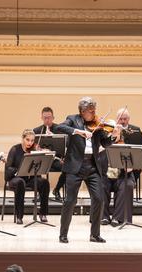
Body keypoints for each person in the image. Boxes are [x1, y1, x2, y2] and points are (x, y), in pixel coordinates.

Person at [53, 96, 121, 244]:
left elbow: (105, 143)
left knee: (99, 198)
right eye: (91, 111)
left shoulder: (97, 125)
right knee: (70, 201)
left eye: (94, 110)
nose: (94, 113)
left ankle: (94, 234)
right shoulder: (72, 119)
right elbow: (59, 127)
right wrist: (78, 132)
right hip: (75, 167)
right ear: (83, 111)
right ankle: (63, 234)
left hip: (92, 166)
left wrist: (114, 136)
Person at [101, 107, 141, 226]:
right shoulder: (105, 142)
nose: (115, 134)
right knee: (100, 184)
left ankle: (118, 218)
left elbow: (134, 161)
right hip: (106, 174)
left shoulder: (125, 144)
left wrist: (129, 167)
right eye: (113, 132)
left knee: (127, 185)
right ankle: (103, 217)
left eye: (117, 133)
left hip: (123, 174)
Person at [5, 129, 49, 224]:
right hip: (15, 179)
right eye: (28, 140)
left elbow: (38, 168)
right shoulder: (15, 149)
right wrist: (19, 170)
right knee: (20, 183)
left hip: (30, 179)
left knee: (44, 182)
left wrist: (40, 154)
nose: (30, 143)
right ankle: (19, 216)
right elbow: (8, 168)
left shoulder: (34, 149)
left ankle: (43, 213)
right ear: (23, 139)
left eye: (32, 140)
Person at [32, 106, 65, 202]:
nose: (47, 120)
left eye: (49, 117)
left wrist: (53, 137)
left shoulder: (59, 129)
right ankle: (40, 192)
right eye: (45, 118)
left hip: (56, 159)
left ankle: (57, 189)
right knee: (35, 167)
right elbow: (31, 147)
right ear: (41, 118)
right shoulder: (36, 131)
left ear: (53, 118)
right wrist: (37, 149)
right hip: (42, 159)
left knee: (68, 169)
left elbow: (64, 147)